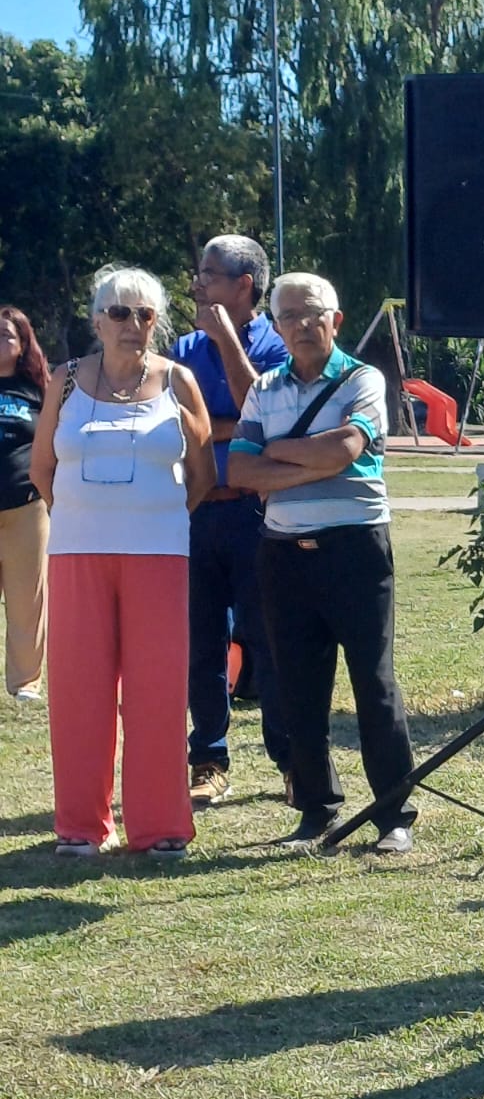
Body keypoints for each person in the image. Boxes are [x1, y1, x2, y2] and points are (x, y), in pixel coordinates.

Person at [227, 272, 418, 854]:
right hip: (284, 555)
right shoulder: (264, 387)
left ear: (335, 320)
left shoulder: (363, 379)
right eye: (289, 315)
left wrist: (278, 451)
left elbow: (347, 448)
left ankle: (394, 817)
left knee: (374, 683)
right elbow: (240, 471)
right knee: (296, 686)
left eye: (313, 313)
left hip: (355, 550)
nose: (302, 324)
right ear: (277, 326)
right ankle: (316, 812)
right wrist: (313, 461)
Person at [30, 266, 215, 857]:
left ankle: (160, 827)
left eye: (145, 314)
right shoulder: (63, 380)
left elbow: (203, 475)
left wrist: (153, 516)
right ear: (97, 321)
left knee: (157, 691)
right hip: (76, 554)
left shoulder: (180, 381)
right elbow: (42, 469)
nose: (132, 324)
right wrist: (83, 514)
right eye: (119, 313)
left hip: (158, 556)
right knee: (78, 691)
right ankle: (80, 826)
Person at [173, 235, 290, 809]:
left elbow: (264, 415)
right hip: (197, 511)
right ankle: (209, 758)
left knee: (269, 639)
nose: (197, 284)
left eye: (209, 274)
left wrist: (225, 344)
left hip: (254, 512)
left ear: (244, 285)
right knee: (202, 643)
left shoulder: (277, 346)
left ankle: (290, 761)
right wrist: (228, 426)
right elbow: (178, 424)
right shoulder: (182, 347)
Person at [0, 308, 51, 701]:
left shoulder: (38, 390)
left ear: (22, 345)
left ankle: (25, 682)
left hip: (26, 507)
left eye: (7, 335)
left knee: (27, 599)